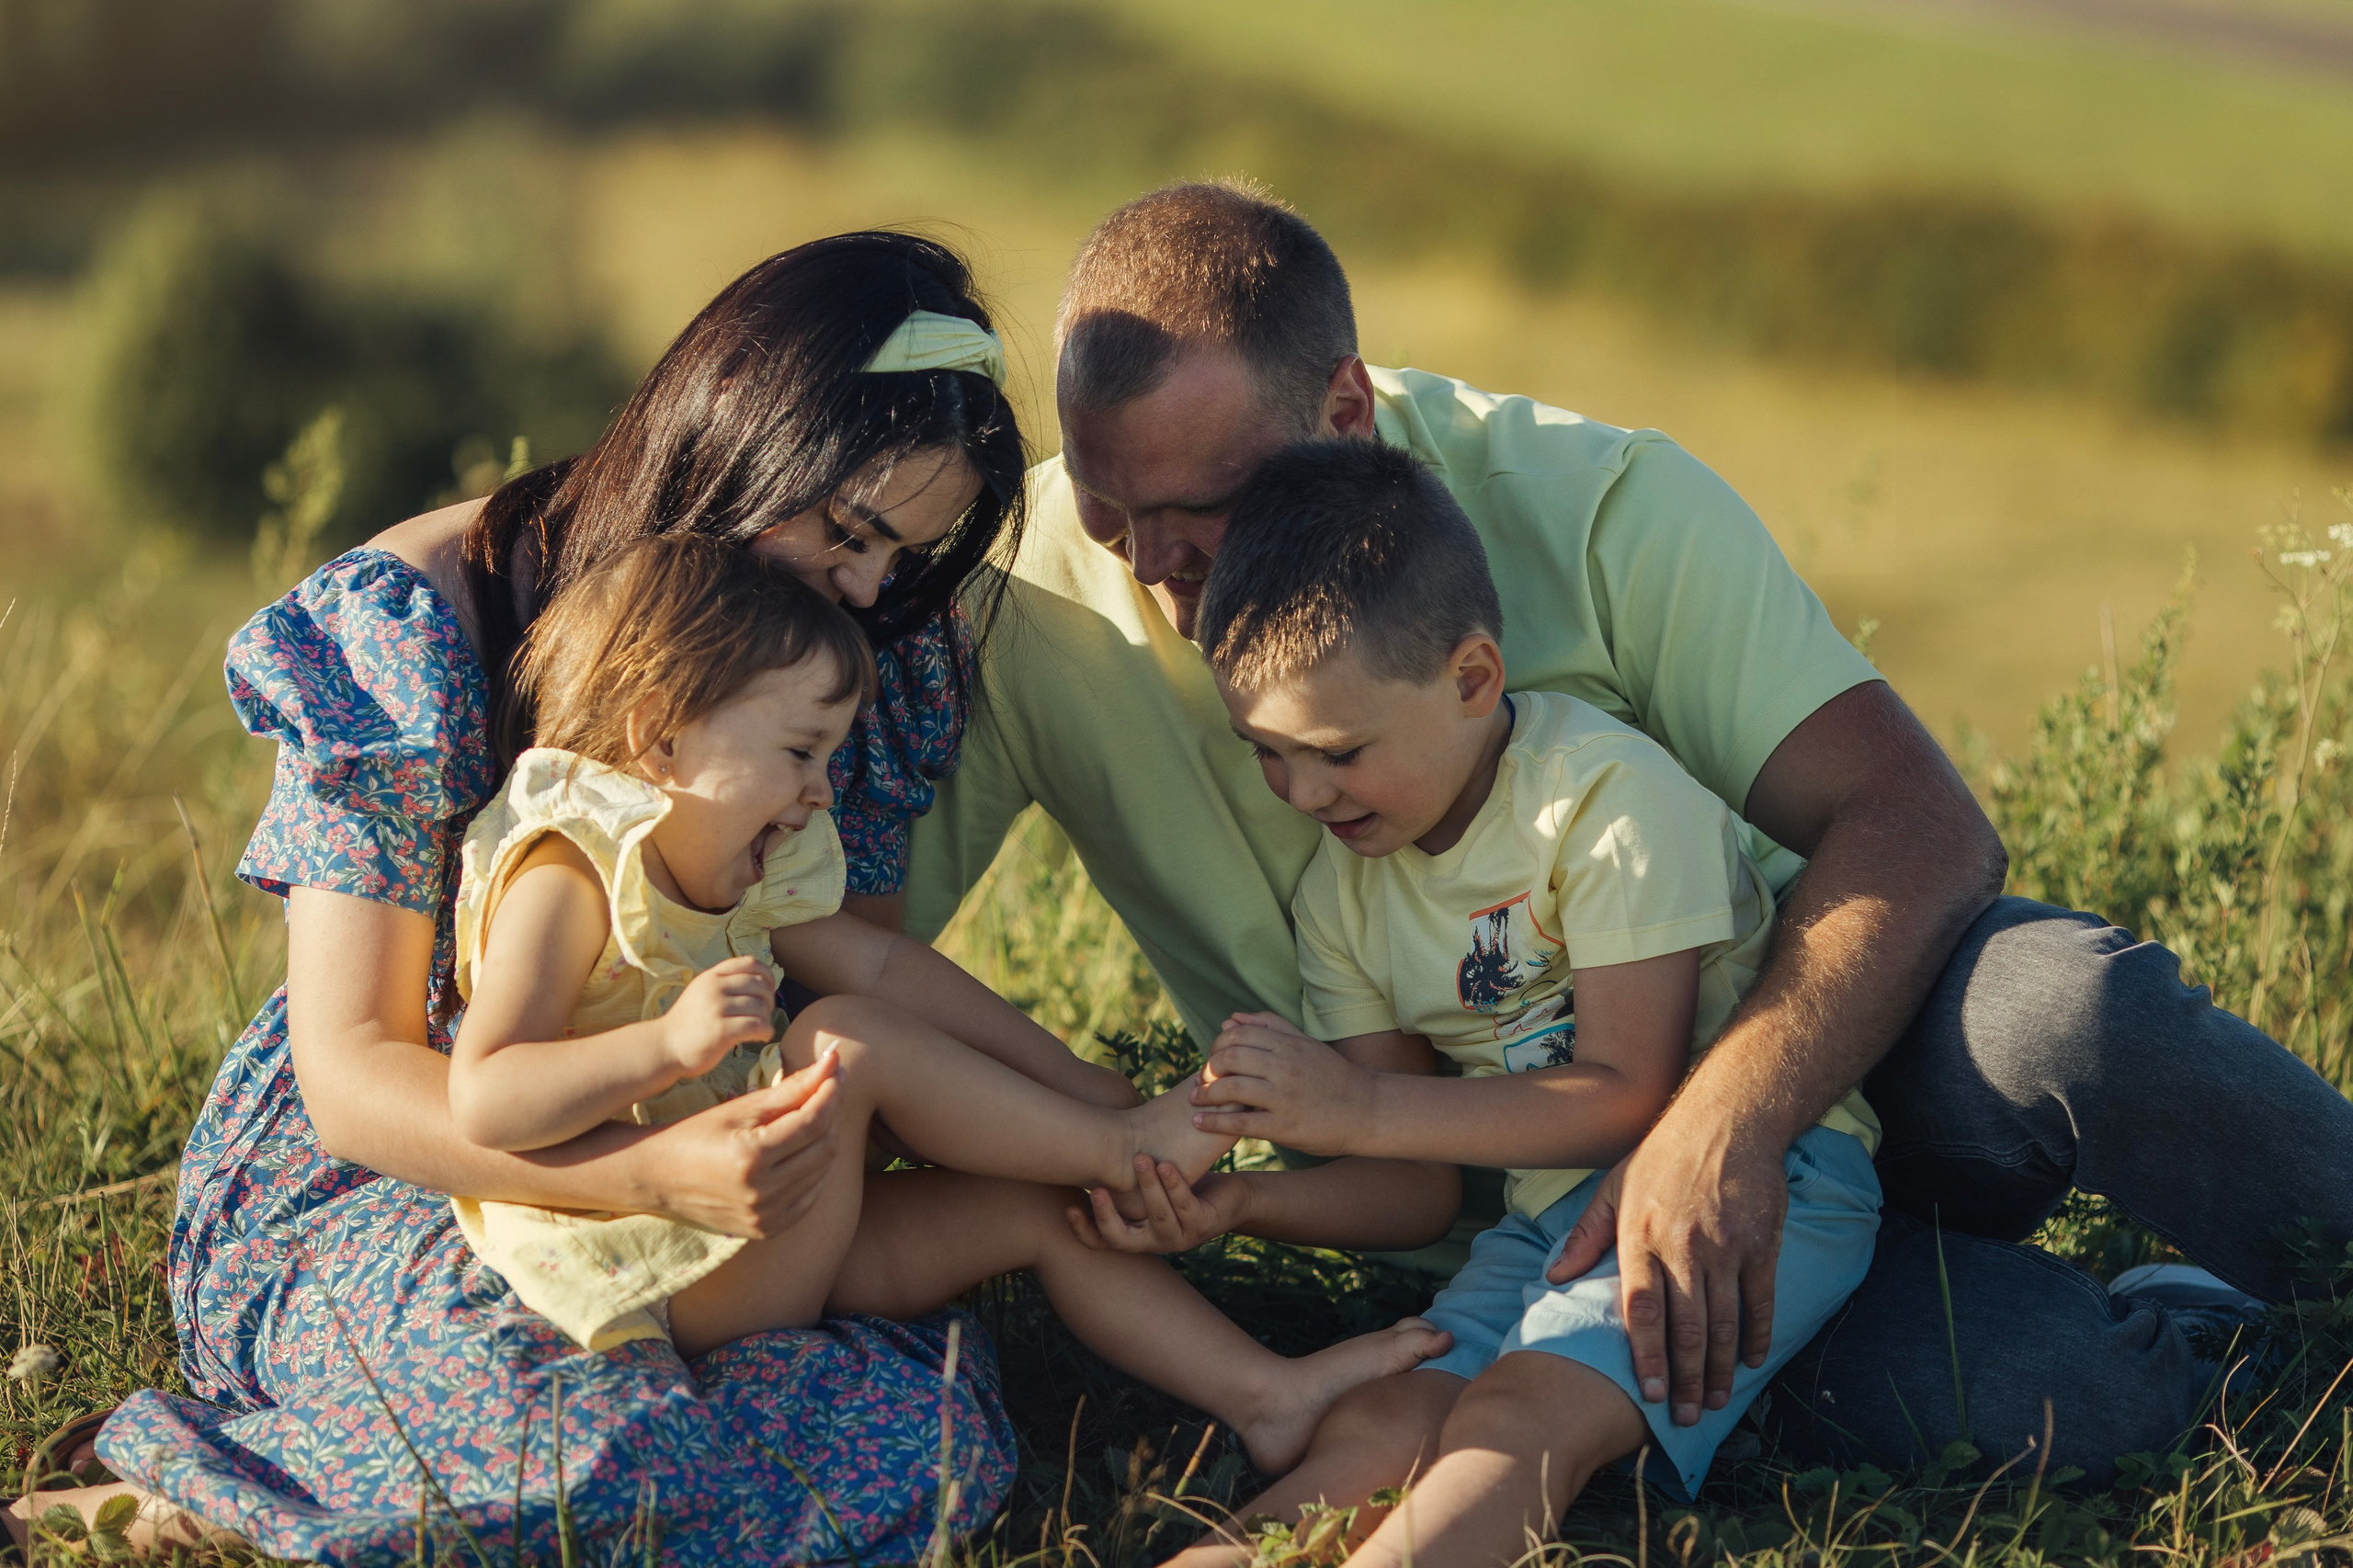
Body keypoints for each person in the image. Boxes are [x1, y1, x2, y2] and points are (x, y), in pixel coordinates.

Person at [911, 180, 2353, 1491]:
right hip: (1529, 1246)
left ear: (1346, 407)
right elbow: (823, 917)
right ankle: (2194, 1339)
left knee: (2069, 1010)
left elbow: (1913, 822)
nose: (1157, 570)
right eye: (1113, 516)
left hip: (1819, 1043)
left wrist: (1728, 1114)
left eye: (1206, 508)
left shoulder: (1596, 501)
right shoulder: (1021, 604)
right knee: (2049, 1394)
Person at [17, 233, 1063, 1565]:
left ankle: (361, 1493)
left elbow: (850, 970)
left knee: (925, 1442)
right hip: (405, 1171)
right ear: (739, 434)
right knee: (581, 1447)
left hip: (698, 1169)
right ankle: (182, 1493)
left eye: (901, 560)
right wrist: (642, 1172)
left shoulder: (868, 658)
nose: (866, 586)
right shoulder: (426, 614)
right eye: (848, 530)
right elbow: (356, 1075)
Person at [443, 530, 1444, 1455]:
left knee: (1040, 1204)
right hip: (667, 1270)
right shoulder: (571, 876)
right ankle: (1129, 1150)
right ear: (659, 737)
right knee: (838, 1043)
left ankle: (1265, 1394)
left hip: (772, 1230)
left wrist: (1068, 1077)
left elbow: (885, 965)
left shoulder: (728, 865)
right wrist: (663, 1048)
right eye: (799, 752)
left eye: (829, 759)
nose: (819, 791)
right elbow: (487, 1096)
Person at [1167, 437, 1882, 1564]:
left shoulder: (1606, 798)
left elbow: (1625, 1095)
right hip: (1543, 1220)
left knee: (1511, 1420)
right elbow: (1410, 1189)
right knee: (1382, 1416)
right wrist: (1242, 1204)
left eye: (1338, 750)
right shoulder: (1342, 895)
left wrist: (1348, 1106)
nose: (1303, 792)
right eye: (1265, 754)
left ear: (1471, 679)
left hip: (1754, 1181)